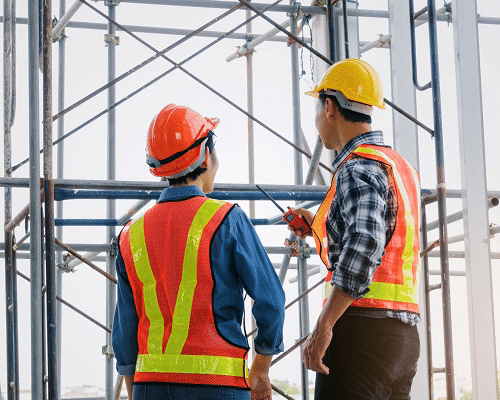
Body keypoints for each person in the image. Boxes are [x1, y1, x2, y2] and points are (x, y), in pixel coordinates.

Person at [112, 104, 285, 400]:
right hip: (217, 385)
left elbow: (125, 329)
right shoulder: (226, 219)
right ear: (206, 155)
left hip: (149, 386)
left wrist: (137, 388)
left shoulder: (131, 235)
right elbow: (271, 299)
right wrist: (262, 365)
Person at [289, 58, 421, 399]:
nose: (317, 122)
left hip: (361, 330)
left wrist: (324, 324)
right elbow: (386, 238)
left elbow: (365, 243)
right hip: (402, 338)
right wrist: (319, 225)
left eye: (317, 110)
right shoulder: (398, 165)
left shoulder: (357, 166)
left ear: (330, 107)